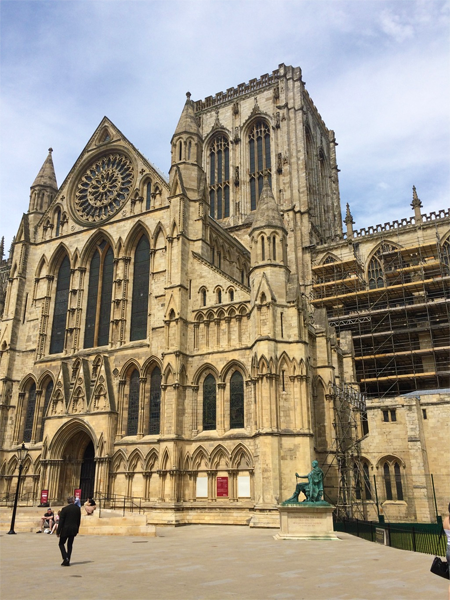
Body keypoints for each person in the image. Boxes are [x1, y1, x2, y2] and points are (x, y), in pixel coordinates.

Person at [57, 496, 81, 567]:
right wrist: (77, 529)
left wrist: (58, 531)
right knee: (70, 545)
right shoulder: (77, 509)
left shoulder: (64, 509)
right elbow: (78, 520)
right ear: (73, 501)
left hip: (65, 529)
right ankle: (67, 560)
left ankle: (65, 558)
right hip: (73, 529)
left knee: (61, 544)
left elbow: (61, 521)